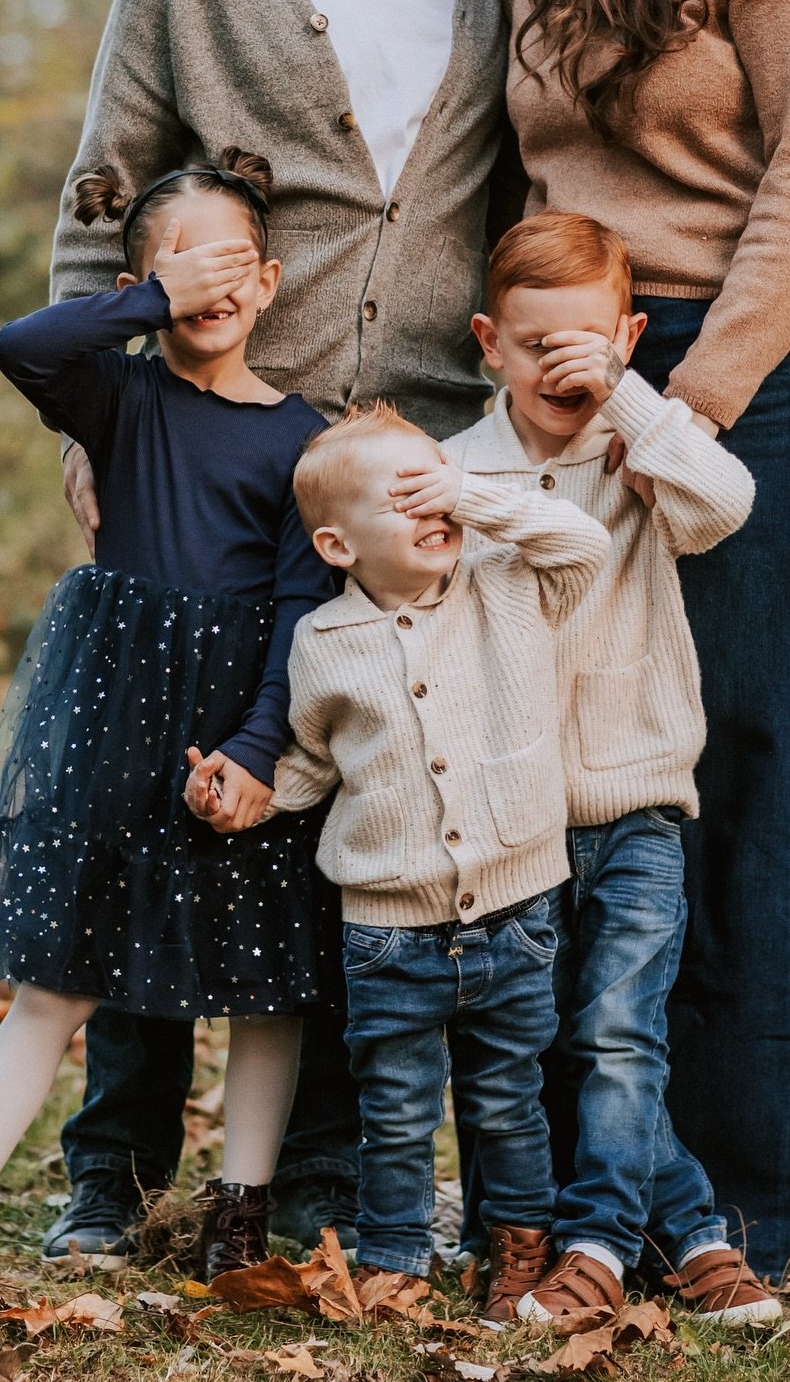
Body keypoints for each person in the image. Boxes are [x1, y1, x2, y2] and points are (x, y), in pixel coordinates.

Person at [44, 0, 514, 1263]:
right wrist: (104, 407)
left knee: (356, 804)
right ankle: (108, 1169)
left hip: (411, 464)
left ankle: (314, 1179)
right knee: (167, 790)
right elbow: (110, 176)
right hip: (229, 444)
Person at [495, 0, 790, 1283]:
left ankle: (730, 1207)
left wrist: (691, 399)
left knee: (742, 762)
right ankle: (599, 1189)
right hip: (569, 366)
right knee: (581, 774)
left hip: (746, 368)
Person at [0, 154, 336, 1278]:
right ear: (141, 282)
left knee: (266, 987)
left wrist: (259, 748)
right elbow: (20, 347)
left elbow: (300, 607)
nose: (205, 285)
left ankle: (240, 1210)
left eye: (230, 262)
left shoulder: (303, 440)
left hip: (237, 734)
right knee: (62, 981)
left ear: (270, 281)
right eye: (177, 263)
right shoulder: (120, 397)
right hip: (120, 730)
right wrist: (151, 301)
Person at [443, 212, 776, 1326]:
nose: (560, 364)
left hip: (635, 808)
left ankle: (592, 1241)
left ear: (626, 333)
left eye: (585, 339)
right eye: (535, 342)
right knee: (543, 1043)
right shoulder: (457, 471)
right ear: (490, 341)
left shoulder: (641, 460)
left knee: (621, 1030)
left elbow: (727, 505)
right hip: (517, 827)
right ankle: (690, 1231)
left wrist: (632, 397)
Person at [217, 403, 608, 1326]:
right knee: (393, 1107)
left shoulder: (505, 580)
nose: (436, 510)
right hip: (387, 929)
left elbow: (584, 543)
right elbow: (313, 763)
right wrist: (250, 793)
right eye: (408, 498)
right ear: (337, 543)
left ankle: (517, 1247)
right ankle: (396, 1254)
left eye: (439, 487)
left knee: (507, 1100)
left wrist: (470, 492)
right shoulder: (322, 642)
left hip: (513, 908)